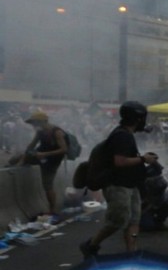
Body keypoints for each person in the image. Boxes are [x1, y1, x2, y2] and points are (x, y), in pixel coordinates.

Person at [80, 101, 159, 258]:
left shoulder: (126, 134)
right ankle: (91, 245)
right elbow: (120, 161)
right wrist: (144, 159)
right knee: (117, 221)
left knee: (134, 220)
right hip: (117, 185)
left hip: (131, 185)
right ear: (137, 118)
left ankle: (132, 253)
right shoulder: (122, 136)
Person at [18, 110, 68, 218]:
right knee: (15, 158)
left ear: (44, 122)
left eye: (36, 123)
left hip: (52, 161)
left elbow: (64, 149)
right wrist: (22, 159)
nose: (34, 126)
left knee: (47, 185)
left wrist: (45, 154)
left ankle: (52, 210)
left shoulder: (57, 132)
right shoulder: (40, 132)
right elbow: (31, 146)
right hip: (41, 156)